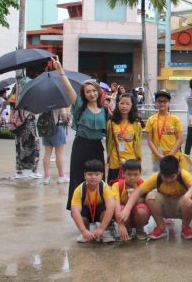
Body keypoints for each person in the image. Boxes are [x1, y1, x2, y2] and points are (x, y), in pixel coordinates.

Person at [53, 56, 108, 210]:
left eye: (94, 91)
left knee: (98, 177)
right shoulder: (80, 105)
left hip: (97, 147)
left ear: (98, 92)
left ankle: (98, 209)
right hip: (81, 146)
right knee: (78, 177)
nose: (91, 94)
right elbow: (68, 88)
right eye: (88, 92)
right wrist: (60, 70)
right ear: (84, 94)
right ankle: (78, 209)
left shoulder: (105, 111)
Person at [118, 155, 192, 240]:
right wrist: (127, 209)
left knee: (191, 196)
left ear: (177, 172)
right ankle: (161, 227)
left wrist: (188, 196)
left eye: (172, 177)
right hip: (164, 208)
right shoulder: (156, 177)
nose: (168, 180)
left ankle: (185, 227)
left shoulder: (184, 174)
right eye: (165, 177)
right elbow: (138, 192)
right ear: (161, 173)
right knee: (150, 196)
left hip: (181, 207)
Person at [70, 159, 115, 243]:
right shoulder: (79, 189)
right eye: (90, 174)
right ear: (84, 175)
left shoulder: (105, 188)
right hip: (87, 212)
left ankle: (105, 232)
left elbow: (111, 208)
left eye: (97, 174)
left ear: (102, 175)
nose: (93, 177)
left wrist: (101, 228)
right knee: (76, 213)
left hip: (99, 212)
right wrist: (83, 231)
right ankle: (86, 232)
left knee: (107, 210)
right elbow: (75, 211)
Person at [145, 90, 184, 172]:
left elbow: (180, 139)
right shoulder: (151, 120)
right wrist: (158, 155)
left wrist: (171, 153)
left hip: (174, 156)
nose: (162, 103)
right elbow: (149, 140)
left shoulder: (175, 119)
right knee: (159, 178)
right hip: (157, 157)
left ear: (169, 102)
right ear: (155, 103)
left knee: (175, 177)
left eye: (165, 101)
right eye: (159, 101)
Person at [111, 160, 150, 241]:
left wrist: (139, 200)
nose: (132, 178)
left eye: (135, 174)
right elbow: (116, 205)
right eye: (129, 174)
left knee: (142, 210)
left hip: (138, 215)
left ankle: (140, 229)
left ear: (140, 174)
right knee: (120, 208)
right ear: (123, 174)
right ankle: (127, 230)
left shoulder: (143, 184)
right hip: (124, 217)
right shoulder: (117, 186)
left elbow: (149, 200)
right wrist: (121, 225)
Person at [106, 93, 142, 183]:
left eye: (127, 104)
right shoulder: (111, 122)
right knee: (113, 186)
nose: (124, 106)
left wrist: (138, 160)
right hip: (115, 160)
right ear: (118, 104)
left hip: (131, 160)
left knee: (130, 187)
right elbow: (108, 142)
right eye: (122, 103)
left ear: (132, 105)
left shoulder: (136, 124)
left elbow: (138, 143)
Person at [42, 108, 69, 185]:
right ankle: (61, 176)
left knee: (47, 153)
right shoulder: (59, 102)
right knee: (59, 154)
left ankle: (46, 177)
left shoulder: (42, 102)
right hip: (58, 128)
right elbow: (64, 116)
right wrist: (66, 118)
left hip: (46, 128)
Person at [12, 107, 41, 179]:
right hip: (28, 127)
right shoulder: (29, 104)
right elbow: (32, 114)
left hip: (19, 128)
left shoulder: (18, 104)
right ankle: (34, 171)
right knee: (35, 148)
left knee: (19, 149)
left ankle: (19, 172)